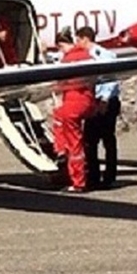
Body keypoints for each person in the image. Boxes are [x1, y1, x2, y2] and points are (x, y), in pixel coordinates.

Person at [52, 27, 96, 193]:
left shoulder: (67, 61)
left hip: (72, 103)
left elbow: (60, 84)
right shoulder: (88, 57)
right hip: (86, 101)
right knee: (77, 140)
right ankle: (62, 151)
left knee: (74, 143)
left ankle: (77, 179)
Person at [76, 26, 121, 189]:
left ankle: (109, 177)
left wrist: (104, 100)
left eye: (78, 40)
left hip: (105, 101)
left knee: (107, 140)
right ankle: (93, 176)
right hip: (94, 101)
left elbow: (111, 78)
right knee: (90, 141)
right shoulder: (86, 56)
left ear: (85, 39)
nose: (77, 43)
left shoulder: (103, 55)